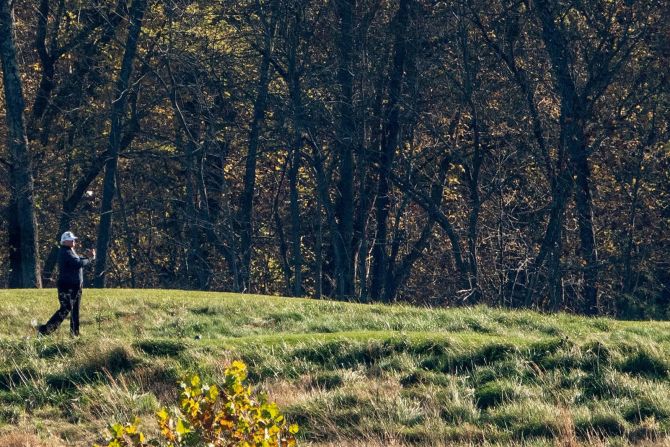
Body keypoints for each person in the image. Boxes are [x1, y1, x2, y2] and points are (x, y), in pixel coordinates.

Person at [38, 231, 95, 336]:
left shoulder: (70, 251)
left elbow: (78, 260)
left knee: (75, 311)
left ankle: (74, 334)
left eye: (74, 239)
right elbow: (77, 263)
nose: (74, 241)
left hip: (75, 286)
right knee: (65, 309)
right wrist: (89, 258)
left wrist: (87, 258)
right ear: (64, 241)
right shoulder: (65, 252)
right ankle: (45, 331)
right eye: (71, 239)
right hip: (67, 287)